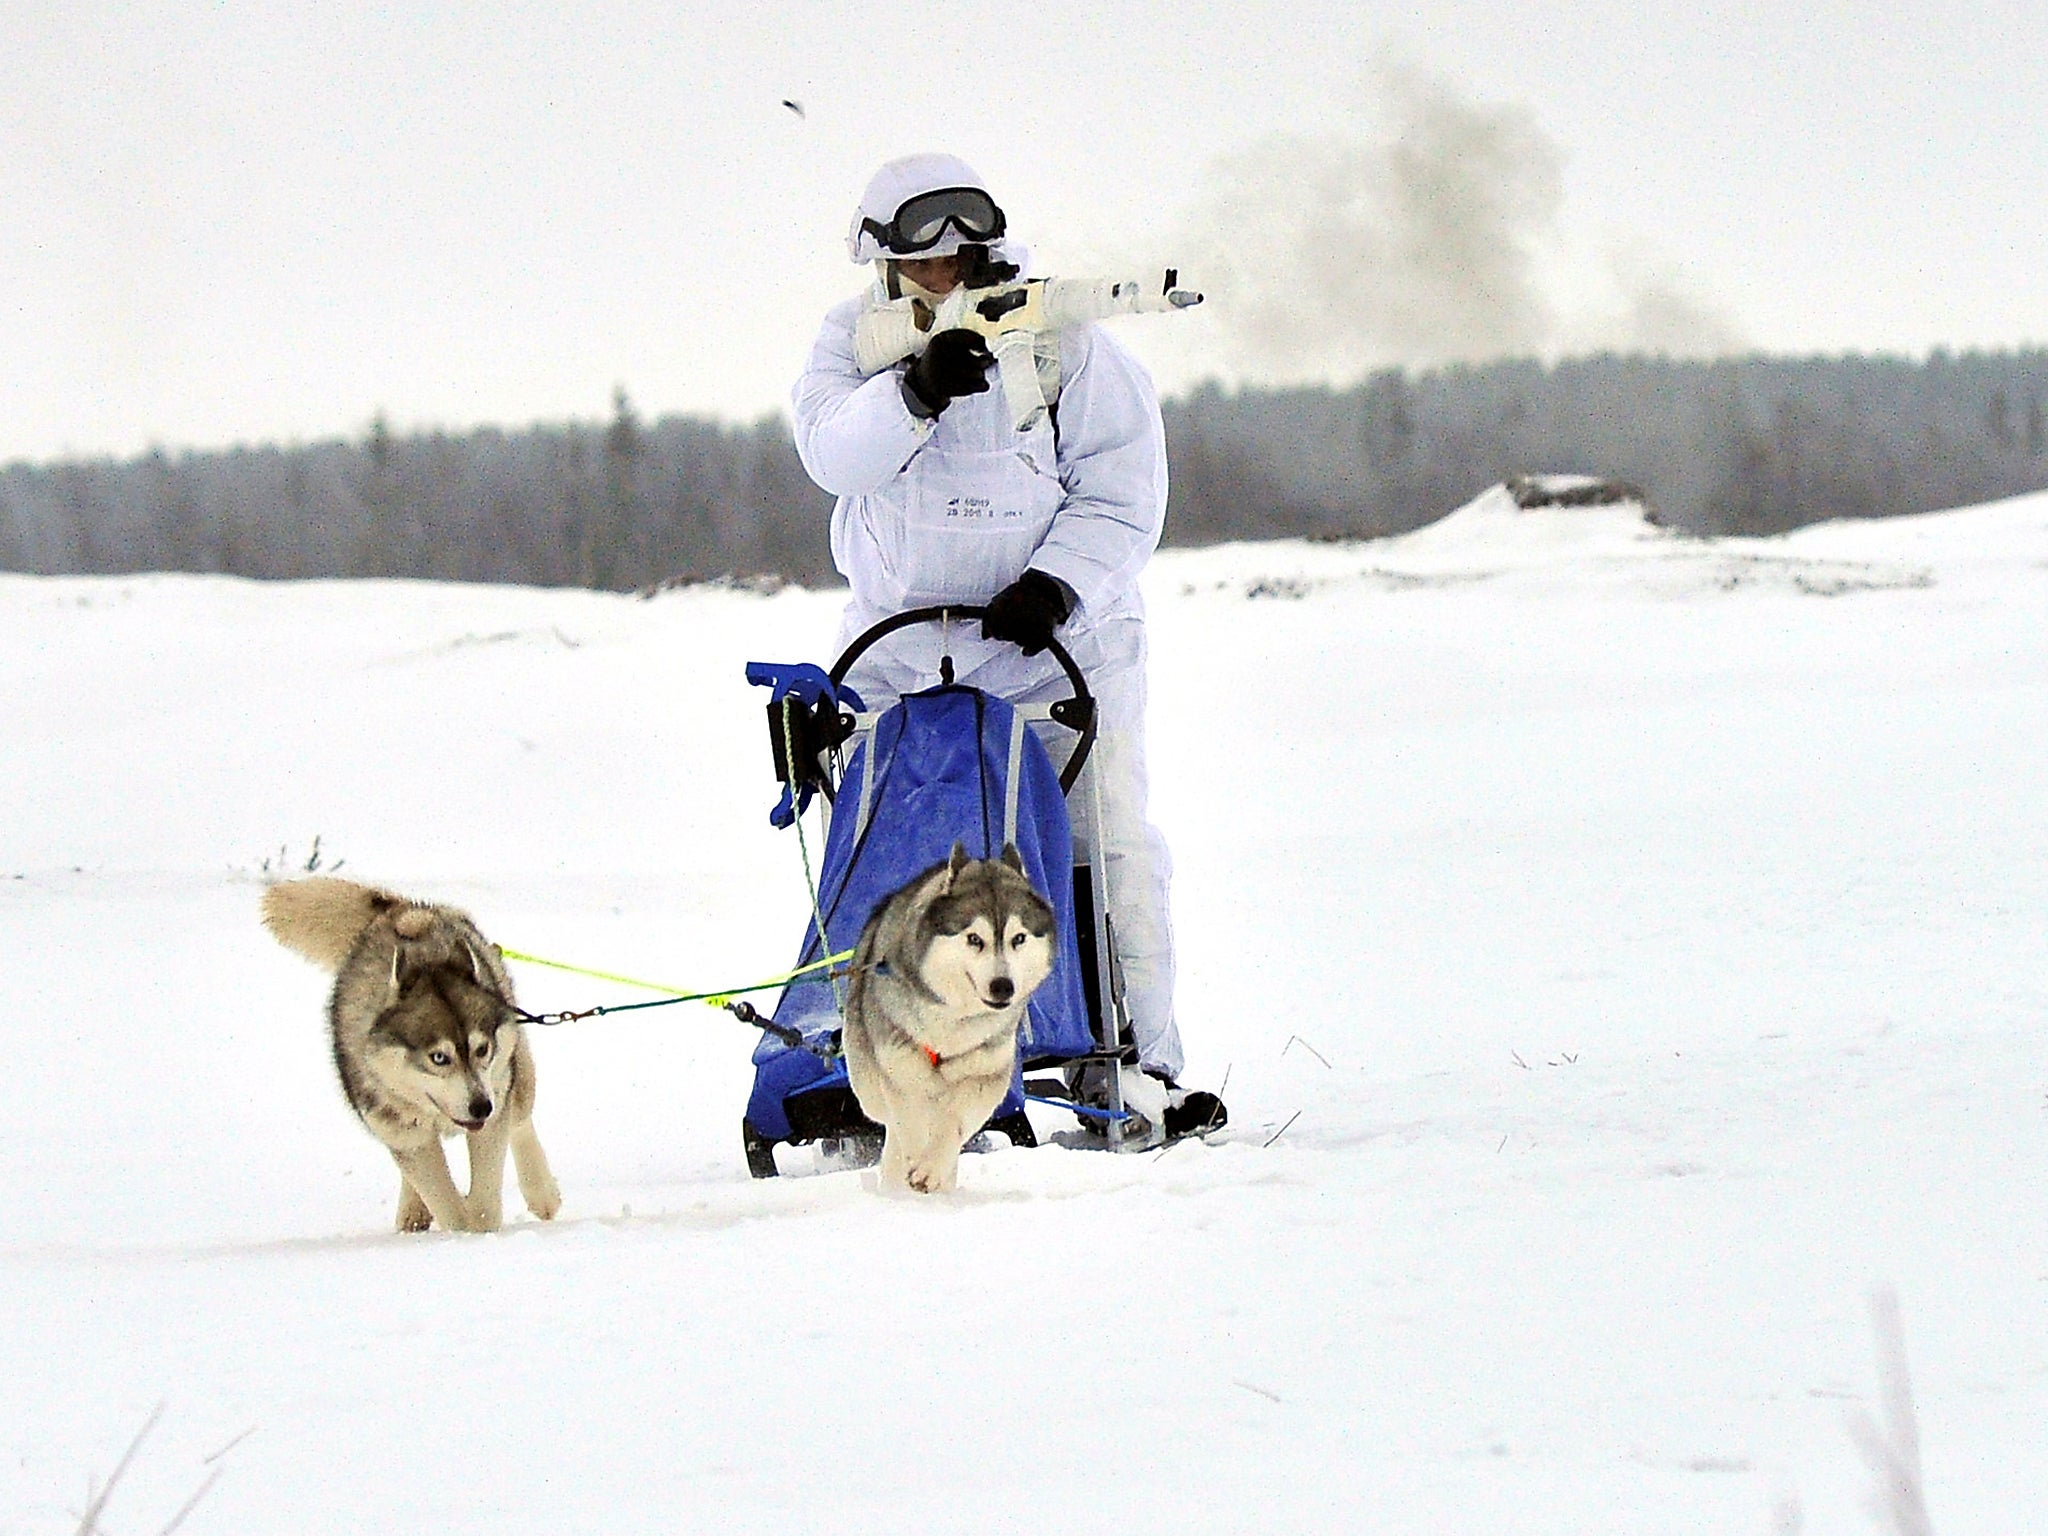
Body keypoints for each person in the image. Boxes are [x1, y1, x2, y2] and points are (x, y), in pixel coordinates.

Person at [789, 151, 1224, 1141]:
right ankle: (877, 1069)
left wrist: (1057, 584)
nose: (942, 274)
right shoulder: (848, 345)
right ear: (885, 263)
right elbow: (833, 456)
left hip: (1054, 645)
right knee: (892, 860)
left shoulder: (1064, 341)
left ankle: (1136, 1063)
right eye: (920, 259)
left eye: (960, 255)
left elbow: (1121, 488)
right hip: (898, 650)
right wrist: (915, 391)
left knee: (1096, 851)